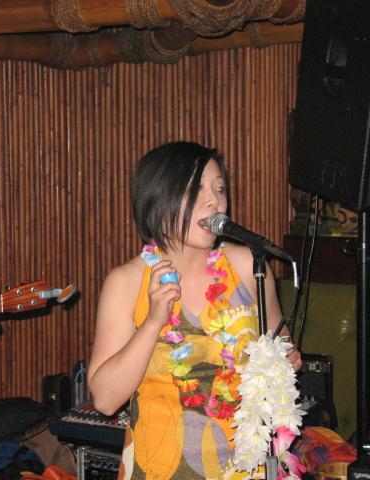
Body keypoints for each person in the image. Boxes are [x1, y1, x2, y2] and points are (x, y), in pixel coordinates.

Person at [87, 142, 302, 480]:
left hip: (245, 467)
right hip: (156, 468)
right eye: (196, 189)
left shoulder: (248, 266)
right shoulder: (126, 282)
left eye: (219, 188)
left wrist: (286, 361)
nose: (214, 200)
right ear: (159, 198)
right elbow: (105, 399)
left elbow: (282, 347)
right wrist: (153, 322)